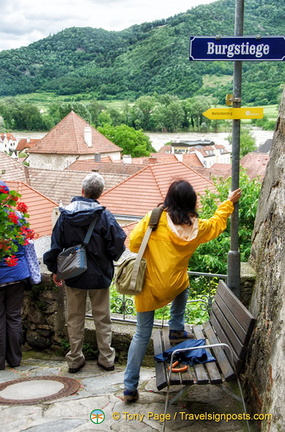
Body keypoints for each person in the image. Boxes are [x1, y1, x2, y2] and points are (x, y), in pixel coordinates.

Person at [123, 179, 242, 401]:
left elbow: (133, 244)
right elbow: (217, 222)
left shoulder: (154, 219)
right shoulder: (198, 228)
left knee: (141, 334)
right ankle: (176, 327)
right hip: (175, 284)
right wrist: (228, 202)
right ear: (191, 201)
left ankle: (130, 387)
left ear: (169, 198)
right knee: (183, 280)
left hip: (149, 286)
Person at [43, 173, 126, 373]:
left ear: (82, 190)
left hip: (73, 273)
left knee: (74, 318)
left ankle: (75, 358)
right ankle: (106, 358)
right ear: (100, 193)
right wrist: (108, 258)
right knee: (103, 318)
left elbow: (56, 244)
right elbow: (118, 244)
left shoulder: (65, 215)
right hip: (99, 275)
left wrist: (55, 269)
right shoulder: (104, 215)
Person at [0, 180, 31, 370]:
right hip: (17, 274)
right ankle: (15, 359)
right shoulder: (18, 217)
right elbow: (28, 246)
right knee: (13, 317)